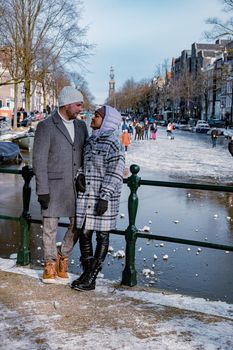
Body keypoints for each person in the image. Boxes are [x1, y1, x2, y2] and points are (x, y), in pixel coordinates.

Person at [33, 86, 89, 283]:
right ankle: (49, 265)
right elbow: (39, 160)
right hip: (53, 186)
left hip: (76, 187)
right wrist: (42, 190)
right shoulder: (46, 126)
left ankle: (62, 256)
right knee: (49, 227)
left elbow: (86, 154)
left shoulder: (82, 127)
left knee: (78, 223)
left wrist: (84, 175)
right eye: (78, 104)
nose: (81, 108)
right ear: (66, 104)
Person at [71, 105, 125, 291]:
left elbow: (116, 172)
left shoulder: (113, 143)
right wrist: (79, 176)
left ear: (107, 120)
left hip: (103, 198)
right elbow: (83, 164)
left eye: (96, 116)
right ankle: (86, 274)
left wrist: (105, 196)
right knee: (85, 234)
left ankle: (91, 277)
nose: (92, 118)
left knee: (102, 236)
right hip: (87, 197)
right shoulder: (90, 141)